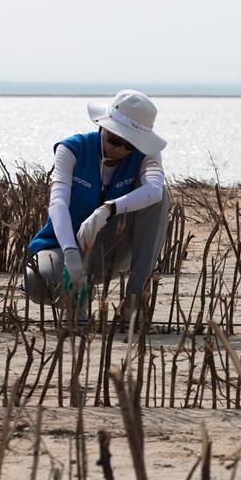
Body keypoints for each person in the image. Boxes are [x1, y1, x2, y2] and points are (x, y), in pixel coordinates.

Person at [25, 90, 171, 327]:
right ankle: (77, 300)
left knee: (162, 198)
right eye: (115, 140)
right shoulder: (71, 149)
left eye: (129, 145)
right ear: (103, 127)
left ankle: (134, 306)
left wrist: (107, 209)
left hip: (113, 248)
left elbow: (154, 190)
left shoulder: (147, 155)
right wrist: (71, 252)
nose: (120, 150)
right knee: (36, 281)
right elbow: (58, 202)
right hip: (63, 248)